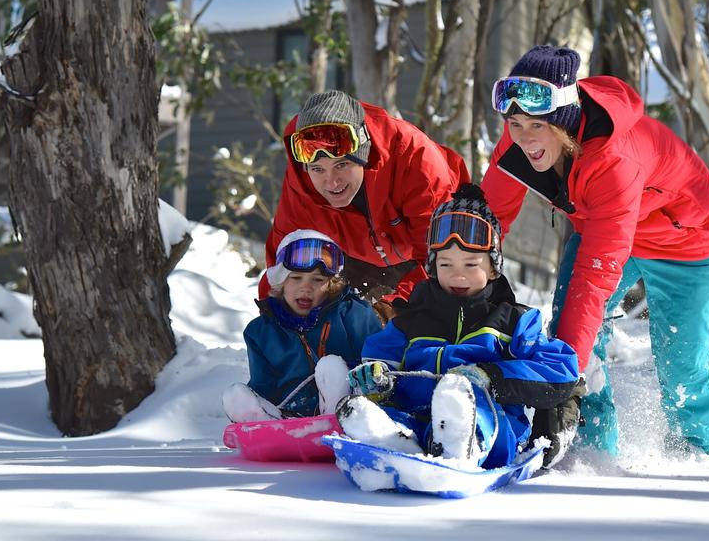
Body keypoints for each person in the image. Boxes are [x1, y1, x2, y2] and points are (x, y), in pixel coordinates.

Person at [480, 44, 709, 457]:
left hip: (686, 240)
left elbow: (594, 278)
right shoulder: (523, 146)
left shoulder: (614, 160)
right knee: (570, 332)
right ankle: (592, 448)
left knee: (682, 368)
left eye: (536, 126)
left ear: (563, 121)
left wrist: (561, 380)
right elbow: (486, 222)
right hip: (606, 227)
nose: (524, 138)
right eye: (514, 123)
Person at [336, 184, 581, 468]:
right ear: (432, 266)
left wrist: (491, 375)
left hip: (490, 425)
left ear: (492, 267)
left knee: (466, 402)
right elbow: (379, 361)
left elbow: (562, 369)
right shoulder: (409, 322)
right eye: (447, 265)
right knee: (380, 412)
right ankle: (390, 441)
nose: (458, 275)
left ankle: (460, 444)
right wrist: (376, 381)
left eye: (470, 264)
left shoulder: (513, 322)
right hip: (417, 418)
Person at [261, 90, 470, 320]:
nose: (332, 182)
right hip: (356, 255)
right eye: (319, 169)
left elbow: (443, 259)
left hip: (437, 249)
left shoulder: (415, 159)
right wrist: (276, 322)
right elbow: (281, 267)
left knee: (430, 321)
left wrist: (392, 309)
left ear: (363, 153)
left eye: (341, 165)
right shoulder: (301, 185)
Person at [223, 231, 382, 422]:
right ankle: (267, 428)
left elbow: (376, 362)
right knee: (234, 396)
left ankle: (333, 420)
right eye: (296, 278)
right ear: (280, 282)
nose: (306, 288)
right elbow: (263, 384)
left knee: (330, 366)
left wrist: (372, 378)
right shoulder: (260, 332)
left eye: (318, 280)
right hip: (289, 415)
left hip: (348, 408)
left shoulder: (353, 314)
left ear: (331, 285)